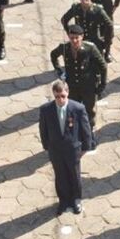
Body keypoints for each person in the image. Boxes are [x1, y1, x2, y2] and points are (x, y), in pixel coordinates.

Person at [38, 79, 93, 215]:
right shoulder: (46, 110)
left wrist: (86, 147)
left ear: (67, 93)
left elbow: (86, 129)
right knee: (60, 176)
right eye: (57, 97)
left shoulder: (77, 108)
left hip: (73, 150)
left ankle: (76, 199)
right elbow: (43, 130)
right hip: (56, 150)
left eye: (63, 96)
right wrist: (47, 146)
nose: (60, 100)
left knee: (74, 175)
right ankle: (63, 200)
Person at [50, 25, 108, 145]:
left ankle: (89, 135)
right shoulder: (64, 48)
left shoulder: (90, 48)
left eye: (77, 38)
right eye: (72, 38)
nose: (74, 41)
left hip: (88, 86)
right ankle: (74, 134)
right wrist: (59, 71)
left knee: (89, 112)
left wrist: (102, 85)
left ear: (82, 37)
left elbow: (103, 66)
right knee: (72, 111)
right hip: (72, 86)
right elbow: (53, 55)